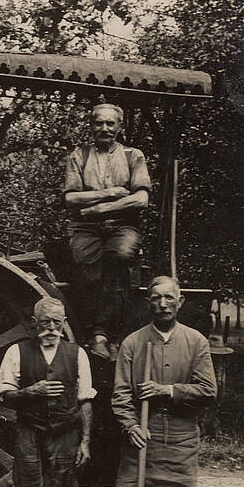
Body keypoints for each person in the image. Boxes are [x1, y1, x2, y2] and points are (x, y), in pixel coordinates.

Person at [112, 275, 216, 487]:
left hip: (182, 435)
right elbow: (120, 395)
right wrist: (131, 426)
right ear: (148, 303)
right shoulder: (132, 343)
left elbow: (208, 390)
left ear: (180, 301)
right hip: (143, 435)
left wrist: (167, 390)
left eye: (169, 298)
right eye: (155, 298)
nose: (162, 304)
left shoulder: (196, 342)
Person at [0, 297, 94, 487]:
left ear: (64, 324)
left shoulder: (77, 355)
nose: (51, 328)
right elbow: (3, 392)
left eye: (57, 322)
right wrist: (30, 392)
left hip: (66, 431)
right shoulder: (17, 351)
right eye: (45, 322)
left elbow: (85, 400)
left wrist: (85, 441)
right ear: (34, 323)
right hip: (30, 429)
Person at [63, 103, 153, 360]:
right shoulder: (78, 155)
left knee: (120, 256)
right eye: (98, 123)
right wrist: (111, 193)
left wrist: (97, 208)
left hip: (123, 226)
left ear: (119, 127)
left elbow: (141, 200)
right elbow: (71, 199)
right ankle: (94, 334)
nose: (104, 128)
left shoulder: (133, 155)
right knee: (84, 263)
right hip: (85, 227)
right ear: (91, 127)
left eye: (110, 123)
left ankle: (108, 335)